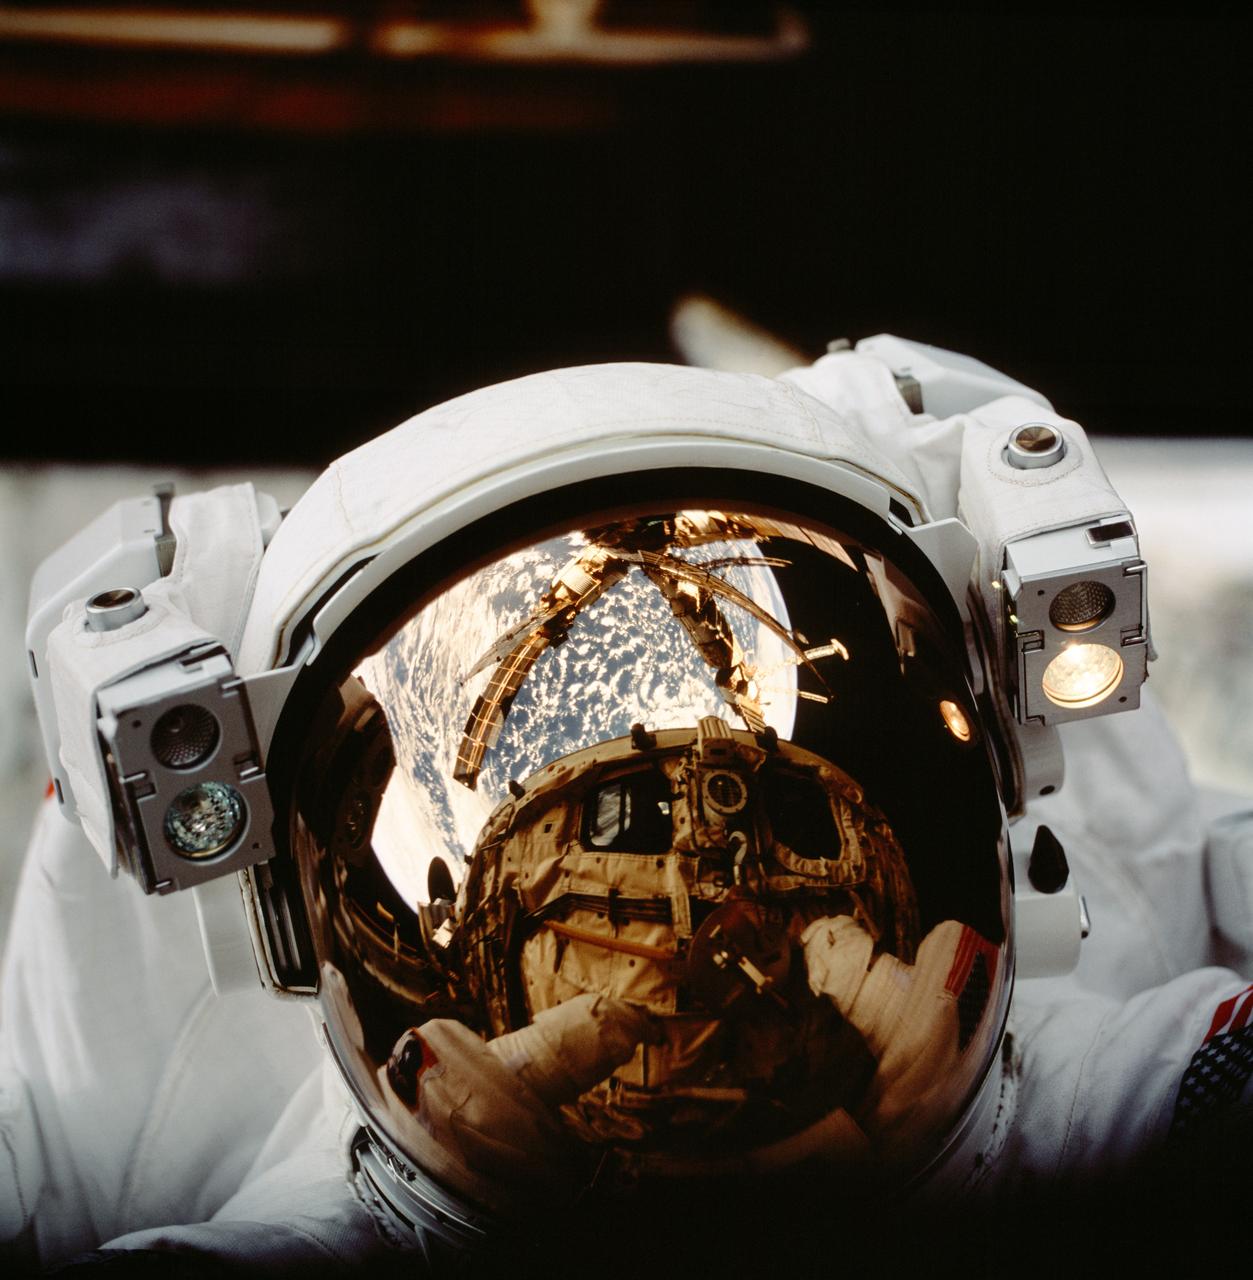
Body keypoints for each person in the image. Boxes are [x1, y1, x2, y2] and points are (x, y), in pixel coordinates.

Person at [3, 341, 1251, 1276]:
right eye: (622, 819)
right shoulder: (1107, 1145)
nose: (704, 871)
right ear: (285, 923)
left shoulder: (1113, 1098)